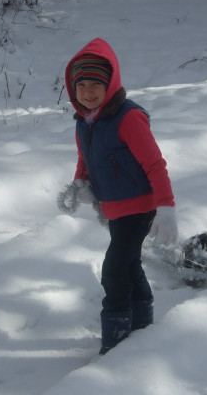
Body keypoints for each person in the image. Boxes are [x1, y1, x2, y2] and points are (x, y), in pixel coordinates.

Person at [65, 37, 178, 355]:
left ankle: (114, 341)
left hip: (139, 207)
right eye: (82, 85)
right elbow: (84, 158)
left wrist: (166, 207)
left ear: (110, 83)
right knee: (129, 266)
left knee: (114, 269)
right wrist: (80, 182)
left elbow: (154, 163)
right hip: (115, 208)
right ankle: (142, 324)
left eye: (95, 84)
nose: (88, 92)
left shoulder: (128, 117)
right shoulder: (85, 121)